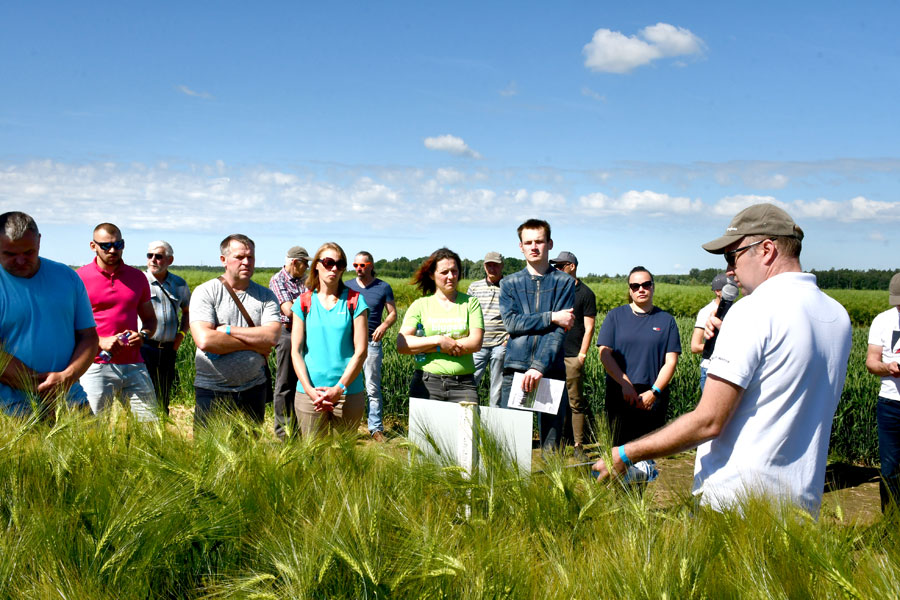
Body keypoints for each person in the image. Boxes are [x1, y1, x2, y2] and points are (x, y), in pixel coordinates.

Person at [592, 203, 852, 517]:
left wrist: (626, 453)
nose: (730, 270)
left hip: (735, 502)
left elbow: (709, 421)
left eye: (733, 256)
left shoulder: (753, 310)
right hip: (800, 503)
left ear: (766, 249)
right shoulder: (837, 315)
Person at [0, 211, 99, 417]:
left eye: (28, 252)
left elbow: (89, 337)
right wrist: (35, 384)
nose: (20, 260)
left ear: (39, 241)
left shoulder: (67, 277)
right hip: (10, 409)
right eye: (9, 254)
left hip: (71, 399)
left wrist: (66, 377)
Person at [190, 234, 281, 431]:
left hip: (254, 389)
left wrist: (228, 330)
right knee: (208, 455)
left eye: (251, 257)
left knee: (248, 456)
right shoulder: (205, 292)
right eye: (240, 257)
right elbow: (205, 340)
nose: (246, 262)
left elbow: (273, 336)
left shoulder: (266, 296)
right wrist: (256, 343)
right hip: (212, 390)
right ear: (223, 260)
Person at [499, 220, 574, 451]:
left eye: (539, 241)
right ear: (520, 247)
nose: (534, 247)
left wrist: (539, 366)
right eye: (528, 242)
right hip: (516, 370)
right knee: (511, 445)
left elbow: (558, 333)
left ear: (549, 244)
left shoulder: (564, 282)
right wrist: (551, 316)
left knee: (551, 447)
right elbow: (512, 324)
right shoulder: (509, 283)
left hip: (550, 372)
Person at [77, 223, 159, 421]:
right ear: (92, 246)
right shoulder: (79, 278)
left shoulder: (137, 277)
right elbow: (66, 326)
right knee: (93, 431)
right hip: (94, 365)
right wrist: (100, 341)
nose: (113, 250)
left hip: (134, 364)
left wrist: (144, 335)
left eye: (118, 244)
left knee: (151, 428)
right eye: (105, 246)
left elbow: (150, 320)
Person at [596, 266, 680, 448]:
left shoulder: (667, 321)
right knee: (618, 451)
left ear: (653, 287)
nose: (641, 289)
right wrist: (625, 384)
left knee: (648, 453)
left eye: (646, 284)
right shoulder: (615, 316)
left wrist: (654, 392)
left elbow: (671, 361)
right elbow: (604, 354)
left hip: (652, 399)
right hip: (619, 394)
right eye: (635, 286)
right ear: (630, 289)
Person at [291, 243, 369, 436]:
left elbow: (361, 351)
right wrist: (309, 390)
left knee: (344, 458)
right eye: (328, 262)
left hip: (347, 394)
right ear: (316, 265)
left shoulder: (356, 301)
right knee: (313, 458)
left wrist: (339, 388)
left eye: (339, 264)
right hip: (310, 394)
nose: (334, 268)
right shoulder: (303, 302)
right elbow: (296, 350)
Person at [397, 248, 484, 403]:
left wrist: (434, 348)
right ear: (432, 275)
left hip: (463, 386)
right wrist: (438, 341)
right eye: (444, 272)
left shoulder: (471, 303)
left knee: (467, 428)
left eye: (454, 271)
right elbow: (403, 344)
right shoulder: (420, 305)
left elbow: (475, 343)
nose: (450, 276)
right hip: (427, 383)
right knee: (425, 428)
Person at [346, 251, 397, 442]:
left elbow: (392, 313)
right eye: (356, 265)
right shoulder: (347, 286)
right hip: (349, 344)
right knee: (347, 385)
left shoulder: (383, 287)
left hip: (371, 344)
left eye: (363, 265)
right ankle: (348, 427)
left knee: (372, 388)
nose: (359, 269)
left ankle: (375, 428)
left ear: (371, 265)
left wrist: (384, 325)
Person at [550, 251, 597, 460]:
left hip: (572, 355)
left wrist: (582, 355)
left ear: (572, 266)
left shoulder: (586, 294)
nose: (557, 270)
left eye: (561, 266)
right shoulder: (554, 291)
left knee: (575, 401)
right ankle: (554, 444)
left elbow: (589, 328)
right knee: (551, 401)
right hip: (552, 355)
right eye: (556, 266)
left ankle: (578, 445)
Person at [140, 240, 191, 415]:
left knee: (163, 397)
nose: (153, 260)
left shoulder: (180, 284)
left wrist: (181, 335)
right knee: (142, 399)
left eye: (159, 256)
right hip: (143, 348)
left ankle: (161, 435)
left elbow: (188, 312)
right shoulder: (139, 281)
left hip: (168, 349)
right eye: (150, 255)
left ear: (170, 260)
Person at [865, 272, 900, 513]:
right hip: (890, 404)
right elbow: (871, 362)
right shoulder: (883, 321)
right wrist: (887, 367)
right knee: (890, 467)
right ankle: (891, 521)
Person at [269, 245, 310, 440]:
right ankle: (283, 432)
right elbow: (289, 311)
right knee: (285, 383)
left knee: (304, 380)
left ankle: (302, 427)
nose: (307, 267)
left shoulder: (305, 280)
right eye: (305, 263)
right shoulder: (278, 280)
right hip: (286, 333)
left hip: (306, 332)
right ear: (295, 263)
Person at [467, 251, 508, 408]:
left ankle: (493, 422)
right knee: (470, 381)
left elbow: (517, 313)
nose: (492, 268)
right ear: (484, 266)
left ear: (501, 266)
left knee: (497, 387)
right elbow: (467, 313)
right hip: (478, 344)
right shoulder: (474, 287)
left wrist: (507, 340)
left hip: (500, 344)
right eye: (489, 265)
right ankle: (467, 415)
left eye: (495, 265)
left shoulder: (509, 286)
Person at [689, 273, 728, 391]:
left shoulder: (737, 310)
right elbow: (695, 347)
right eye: (728, 288)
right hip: (710, 369)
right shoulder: (706, 312)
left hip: (732, 370)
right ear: (718, 291)